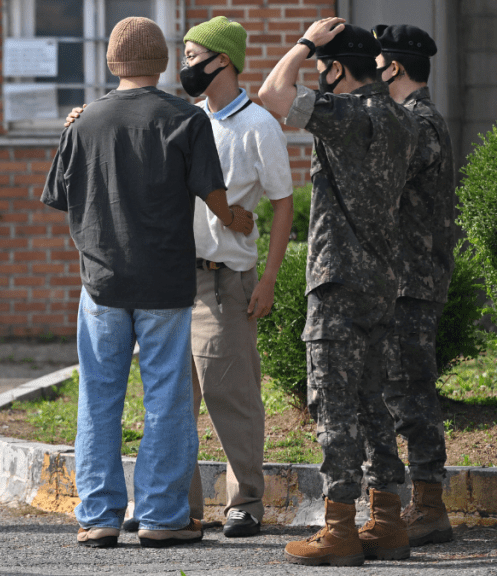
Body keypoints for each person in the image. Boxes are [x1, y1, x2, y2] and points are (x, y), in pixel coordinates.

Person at [68, 16, 293, 538]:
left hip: (216, 277)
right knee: (173, 400)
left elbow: (281, 205)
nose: (188, 65)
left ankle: (242, 501)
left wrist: (268, 278)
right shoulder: (181, 116)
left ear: (225, 59)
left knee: (228, 394)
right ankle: (170, 507)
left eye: (196, 56)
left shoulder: (257, 126)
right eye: (184, 56)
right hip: (167, 278)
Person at [259, 19, 418, 566]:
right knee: (374, 405)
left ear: (336, 67)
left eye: (324, 68)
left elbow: (272, 95)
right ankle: (389, 520)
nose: (318, 76)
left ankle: (340, 528)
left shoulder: (348, 115)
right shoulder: (401, 119)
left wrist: (303, 45)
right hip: (381, 283)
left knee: (334, 408)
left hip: (337, 285)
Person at [360, 23, 455, 548]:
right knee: (398, 392)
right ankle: (416, 500)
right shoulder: (410, 120)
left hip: (410, 284)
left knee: (412, 394)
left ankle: (431, 506)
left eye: (375, 61)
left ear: (391, 66)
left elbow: (381, 180)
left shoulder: (418, 124)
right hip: (398, 281)